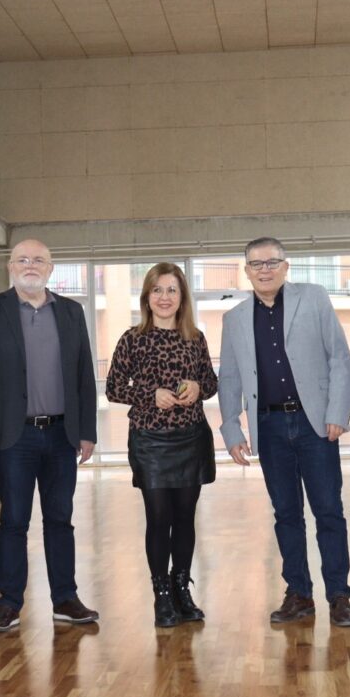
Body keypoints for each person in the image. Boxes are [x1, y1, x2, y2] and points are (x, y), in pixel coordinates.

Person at [217, 237, 350, 627]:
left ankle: (339, 595)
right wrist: (231, 429)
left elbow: (339, 357)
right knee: (286, 514)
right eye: (256, 264)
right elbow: (229, 377)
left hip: (316, 425)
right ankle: (299, 593)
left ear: (286, 266)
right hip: (269, 427)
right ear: (246, 271)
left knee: (328, 511)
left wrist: (337, 411)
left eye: (272, 262)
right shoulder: (234, 319)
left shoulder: (313, 298)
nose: (264, 270)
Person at [0, 239, 100, 632]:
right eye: (22, 259)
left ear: (50, 268)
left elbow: (84, 376)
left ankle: (65, 599)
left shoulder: (71, 312)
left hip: (61, 436)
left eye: (39, 260)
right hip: (13, 438)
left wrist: (87, 431)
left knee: (60, 519)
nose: (30, 265)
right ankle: (8, 604)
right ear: (10, 266)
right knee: (13, 522)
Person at [106, 263, 218, 628]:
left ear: (182, 297)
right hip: (150, 441)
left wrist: (199, 387)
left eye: (172, 290)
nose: (164, 297)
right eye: (157, 290)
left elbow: (211, 383)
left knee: (185, 518)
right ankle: (162, 595)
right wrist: (148, 394)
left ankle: (182, 588)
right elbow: (113, 388)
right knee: (159, 518)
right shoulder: (132, 338)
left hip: (191, 437)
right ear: (147, 297)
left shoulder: (195, 338)